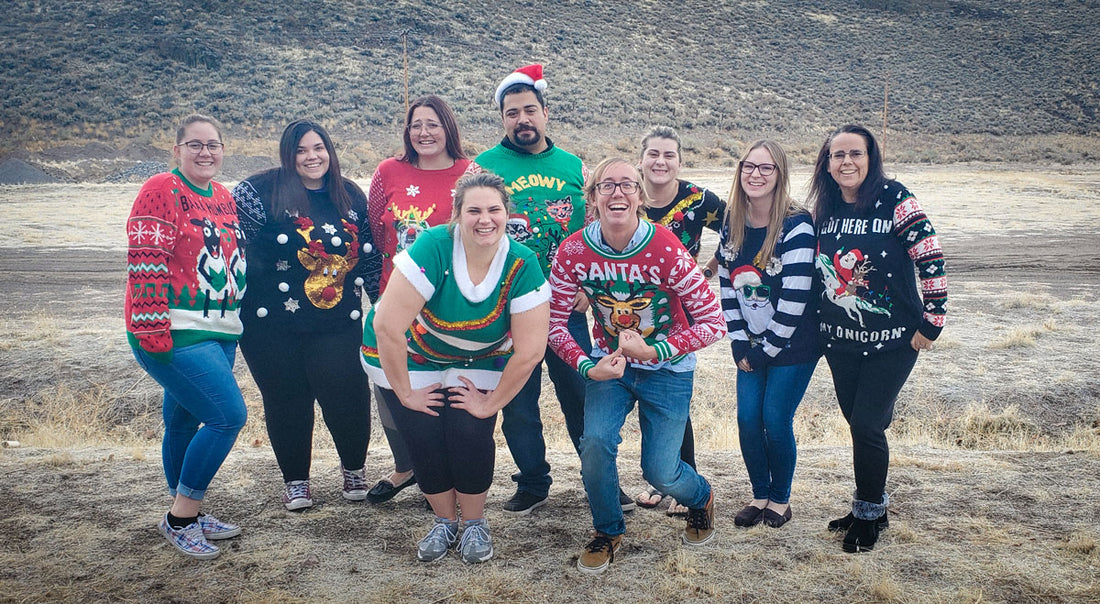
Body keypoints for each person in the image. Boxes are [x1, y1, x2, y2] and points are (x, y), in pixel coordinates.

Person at [467, 64, 637, 516]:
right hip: (507, 308)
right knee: (518, 402)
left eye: (529, 110)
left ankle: (600, 479)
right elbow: (469, 229)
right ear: (502, 119)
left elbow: (594, 230)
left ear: (545, 113)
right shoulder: (482, 167)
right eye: (511, 113)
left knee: (583, 394)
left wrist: (589, 285)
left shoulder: (573, 167)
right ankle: (533, 481)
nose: (521, 119)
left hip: (565, 306)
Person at [548, 158, 726, 574]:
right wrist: (587, 368)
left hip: (668, 367)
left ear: (640, 197)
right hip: (611, 368)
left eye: (628, 185)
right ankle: (608, 530)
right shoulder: (573, 250)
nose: (618, 192)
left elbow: (713, 321)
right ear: (592, 198)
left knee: (660, 471)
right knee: (594, 444)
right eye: (606, 185)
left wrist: (655, 352)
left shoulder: (665, 247)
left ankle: (700, 497)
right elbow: (554, 324)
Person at [362, 172, 550, 563]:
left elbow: (530, 351)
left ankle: (475, 524)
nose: (485, 219)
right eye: (474, 210)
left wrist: (489, 404)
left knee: (469, 431)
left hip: (480, 353)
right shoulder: (433, 245)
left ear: (506, 214)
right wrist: (405, 394)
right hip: (409, 349)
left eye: (494, 209)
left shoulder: (522, 262)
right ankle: (445, 521)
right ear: (457, 214)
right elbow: (387, 327)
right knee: (423, 433)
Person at [809, 124, 946, 553]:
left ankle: (869, 515)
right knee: (860, 425)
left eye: (856, 154)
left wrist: (932, 322)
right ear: (827, 164)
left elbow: (930, 257)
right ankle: (871, 507)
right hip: (841, 341)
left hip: (893, 342)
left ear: (871, 159)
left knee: (868, 424)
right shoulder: (825, 207)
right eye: (838, 155)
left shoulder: (895, 199)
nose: (846, 162)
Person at [232, 120, 380, 511]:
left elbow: (367, 256)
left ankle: (354, 470)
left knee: (347, 394)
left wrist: (382, 303)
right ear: (287, 154)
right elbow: (234, 253)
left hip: (336, 322)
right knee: (286, 398)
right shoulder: (257, 191)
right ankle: (296, 481)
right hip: (270, 326)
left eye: (318, 148)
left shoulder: (349, 194)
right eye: (301, 150)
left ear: (330, 151)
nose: (311, 157)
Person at [126, 113, 247, 559]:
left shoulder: (222, 195)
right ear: (177, 150)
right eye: (194, 145)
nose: (205, 152)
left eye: (212, 144)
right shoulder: (162, 188)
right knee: (227, 416)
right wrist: (152, 328)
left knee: (182, 420)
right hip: (174, 332)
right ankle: (180, 518)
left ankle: (188, 512)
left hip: (219, 331)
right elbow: (146, 259)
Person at [363, 95, 471, 504]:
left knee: (445, 391)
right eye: (416, 125)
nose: (424, 133)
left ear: (448, 128)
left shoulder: (470, 172)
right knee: (393, 385)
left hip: (450, 305)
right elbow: (377, 233)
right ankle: (409, 466)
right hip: (397, 299)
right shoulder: (388, 171)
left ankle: (446, 477)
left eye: (433, 124)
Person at [714, 140, 818, 529]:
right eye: (748, 167)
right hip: (752, 343)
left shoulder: (796, 223)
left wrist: (766, 350)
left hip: (794, 344)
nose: (755, 175)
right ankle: (759, 494)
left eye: (766, 168)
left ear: (780, 175)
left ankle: (780, 499)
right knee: (746, 419)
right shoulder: (732, 221)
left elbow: (795, 295)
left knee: (774, 419)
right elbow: (727, 286)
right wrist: (739, 340)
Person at [634, 126, 726, 515]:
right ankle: (661, 479)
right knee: (641, 393)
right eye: (653, 154)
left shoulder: (699, 200)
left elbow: (740, 229)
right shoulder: (627, 194)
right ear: (641, 160)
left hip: (680, 316)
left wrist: (710, 268)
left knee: (673, 398)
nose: (660, 161)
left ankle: (680, 481)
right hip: (629, 311)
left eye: (669, 155)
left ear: (680, 161)